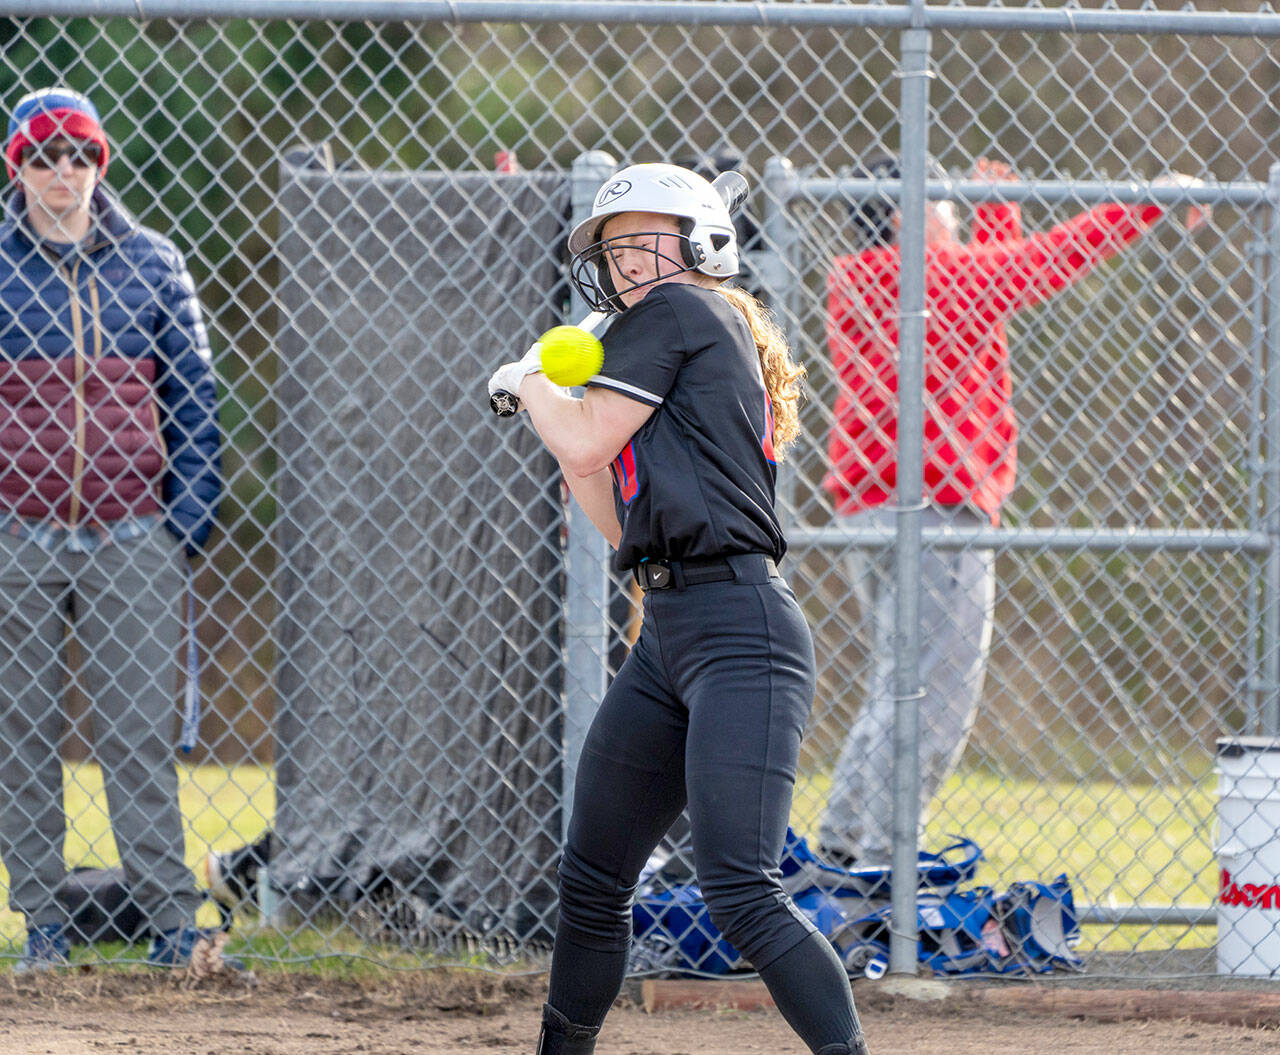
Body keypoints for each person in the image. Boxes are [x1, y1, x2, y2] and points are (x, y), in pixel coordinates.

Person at [487, 163, 869, 1055]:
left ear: (703, 242)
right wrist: (558, 410)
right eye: (614, 248)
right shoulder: (665, 344)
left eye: (645, 238)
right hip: (668, 635)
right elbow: (605, 495)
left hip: (742, 632)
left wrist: (532, 384)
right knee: (592, 880)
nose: (626, 262)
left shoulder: (686, 312)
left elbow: (576, 430)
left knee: (740, 887)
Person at [819, 153, 1207, 868]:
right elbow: (1039, 265)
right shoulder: (935, 279)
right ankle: (883, 865)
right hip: (936, 512)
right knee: (934, 699)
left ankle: (843, 849)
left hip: (868, 509)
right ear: (907, 214)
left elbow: (993, 280)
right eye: (946, 205)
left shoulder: (864, 278)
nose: (955, 217)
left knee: (895, 684)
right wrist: (1145, 202)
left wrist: (999, 209)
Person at [0, 88, 225, 971]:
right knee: (20, 730)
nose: (64, 172)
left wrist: (183, 526)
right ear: (16, 165)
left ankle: (174, 925)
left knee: (135, 733)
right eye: (45, 155)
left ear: (102, 163)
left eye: (81, 155)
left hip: (136, 531)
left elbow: (196, 401)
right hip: (17, 532)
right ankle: (42, 930)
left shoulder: (153, 261)